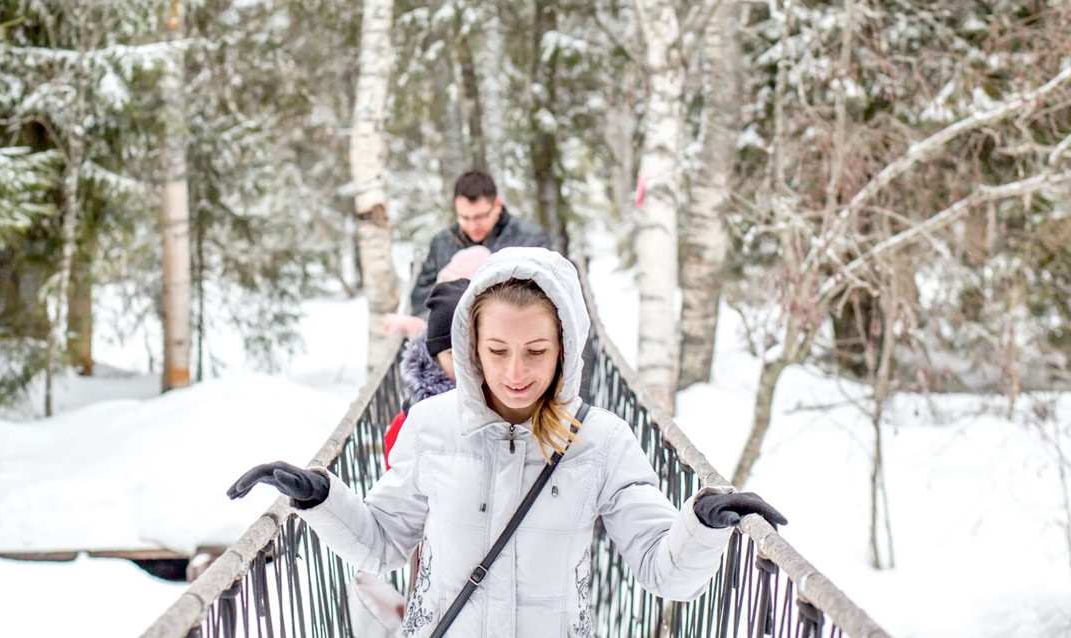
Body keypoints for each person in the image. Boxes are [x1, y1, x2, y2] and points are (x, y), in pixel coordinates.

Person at [228, 247, 786, 638]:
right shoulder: (431, 426)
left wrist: (704, 524)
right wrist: (319, 498)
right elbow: (384, 545)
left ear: (566, 347)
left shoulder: (603, 441)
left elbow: (665, 573)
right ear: (471, 344)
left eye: (536, 351)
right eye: (497, 351)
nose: (515, 372)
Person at [409, 171, 550, 319]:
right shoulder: (442, 243)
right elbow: (421, 301)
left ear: (497, 206)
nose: (472, 226)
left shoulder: (529, 240)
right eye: (464, 218)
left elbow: (548, 296)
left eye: (480, 217)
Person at [383, 279, 468, 470]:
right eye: (454, 354)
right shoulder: (408, 425)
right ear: (433, 356)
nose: (466, 364)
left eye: (475, 352)